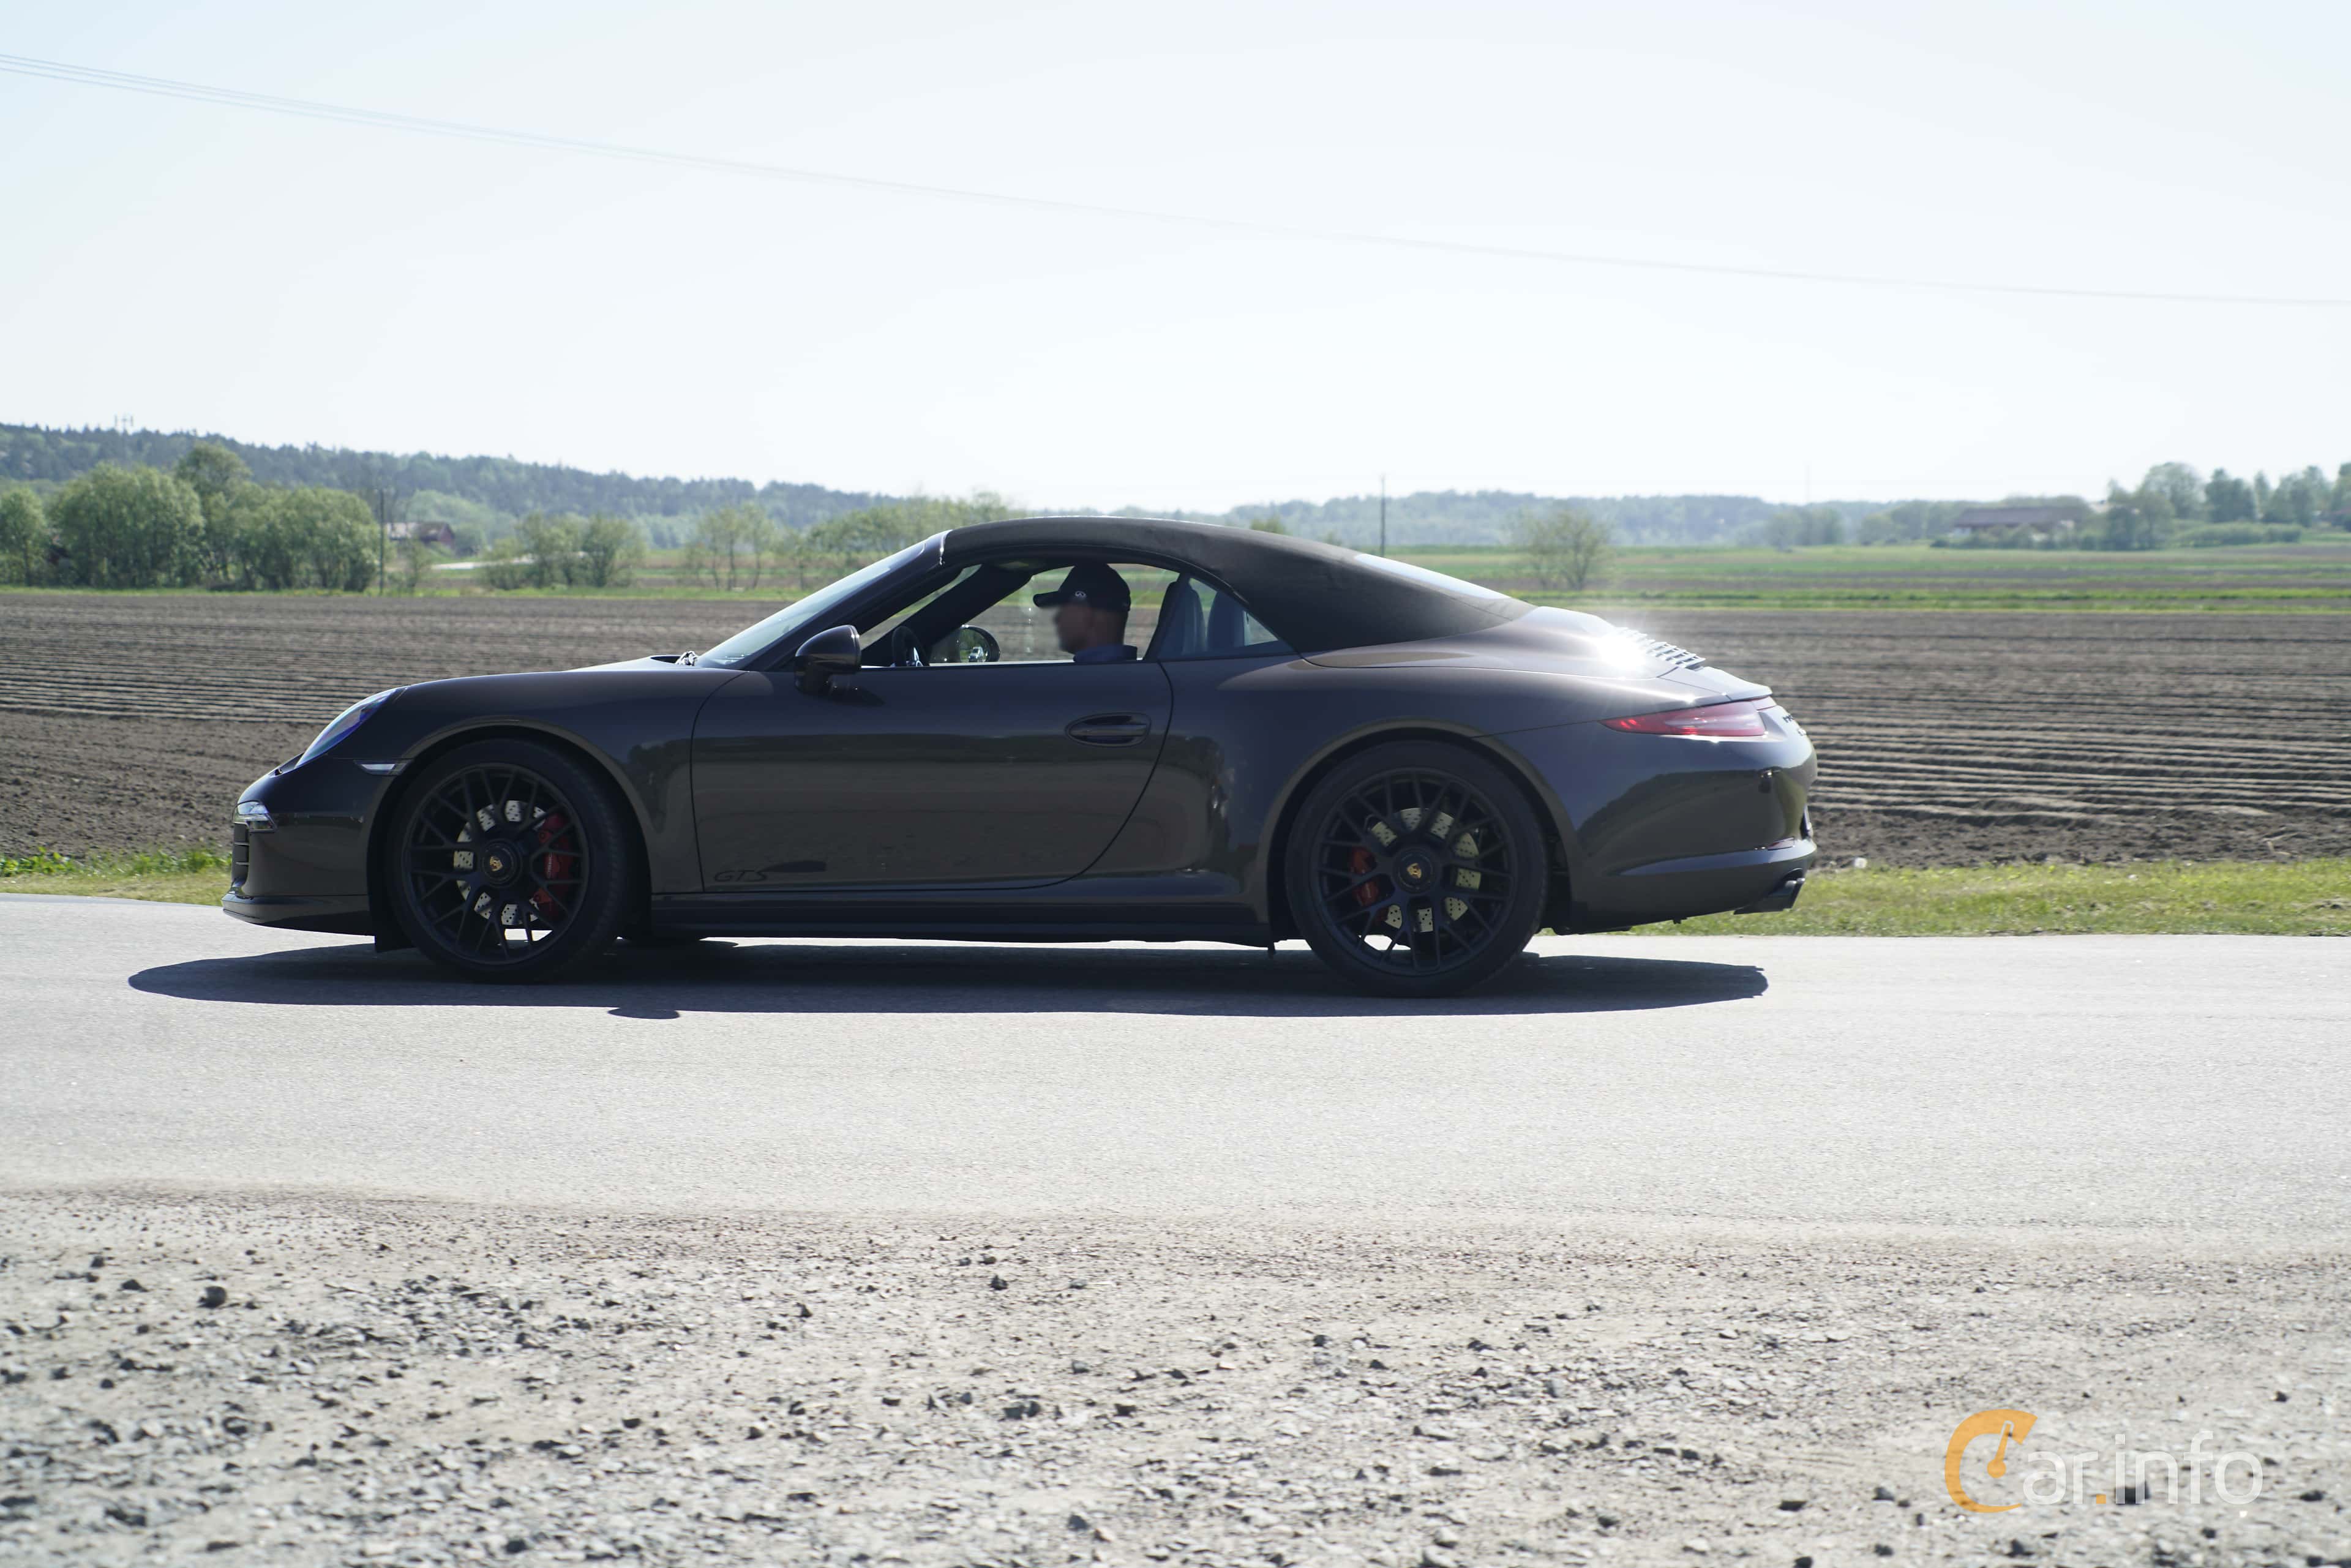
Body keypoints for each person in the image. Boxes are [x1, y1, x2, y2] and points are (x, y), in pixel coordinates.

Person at [1032, 562, 1138, 663]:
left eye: (1063, 609)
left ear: (1086, 614)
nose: (1057, 619)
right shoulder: (1134, 672)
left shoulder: (1086, 678)